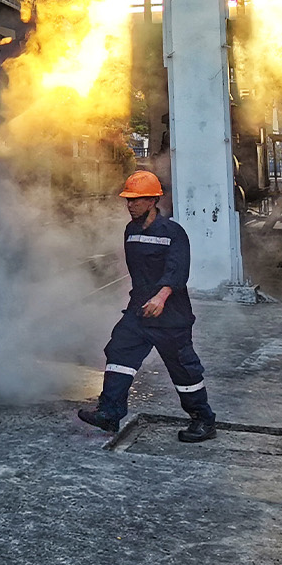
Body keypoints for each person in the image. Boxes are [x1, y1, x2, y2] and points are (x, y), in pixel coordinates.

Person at [78, 169, 216, 443]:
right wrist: (142, 300)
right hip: (140, 311)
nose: (130, 205)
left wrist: (161, 297)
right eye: (128, 200)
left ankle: (203, 420)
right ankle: (110, 413)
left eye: (137, 200)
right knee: (119, 352)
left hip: (170, 316)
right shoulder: (130, 231)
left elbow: (177, 270)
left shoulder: (173, 233)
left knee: (184, 370)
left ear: (153, 200)